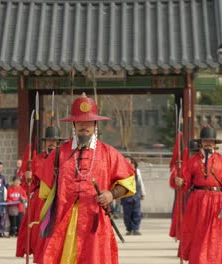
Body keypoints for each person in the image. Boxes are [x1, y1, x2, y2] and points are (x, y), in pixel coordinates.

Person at [37, 93, 136, 263]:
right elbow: (45, 191)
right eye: (80, 121)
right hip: (63, 222)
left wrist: (111, 195)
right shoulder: (59, 153)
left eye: (89, 121)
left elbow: (128, 183)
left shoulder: (108, 153)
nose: (84, 125)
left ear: (95, 124)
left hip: (95, 223)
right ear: (74, 124)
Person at [175, 127, 222, 264]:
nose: (208, 143)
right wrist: (180, 182)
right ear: (200, 142)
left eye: (210, 140)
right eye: (205, 140)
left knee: (215, 236)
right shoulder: (192, 161)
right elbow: (185, 182)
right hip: (197, 201)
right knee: (197, 235)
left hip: (217, 202)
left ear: (215, 143)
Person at [16, 125, 65, 262]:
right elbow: (29, 186)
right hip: (41, 201)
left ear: (58, 142)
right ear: (45, 142)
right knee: (40, 231)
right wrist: (28, 177)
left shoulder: (64, 159)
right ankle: (40, 257)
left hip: (58, 198)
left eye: (54, 141)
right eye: (49, 140)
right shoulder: (37, 159)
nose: (51, 143)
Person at [169, 140, 200, 240]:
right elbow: (173, 181)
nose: (193, 154)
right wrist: (177, 180)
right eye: (192, 152)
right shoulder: (182, 166)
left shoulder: (201, 164)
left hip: (198, 196)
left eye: (196, 152)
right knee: (183, 218)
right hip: (184, 196)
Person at [121, 156, 146, 236]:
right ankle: (129, 229)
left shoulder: (137, 172)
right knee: (127, 214)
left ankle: (135, 228)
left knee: (136, 213)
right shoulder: (121, 172)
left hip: (136, 196)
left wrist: (143, 193)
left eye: (131, 163)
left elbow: (140, 182)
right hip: (125, 196)